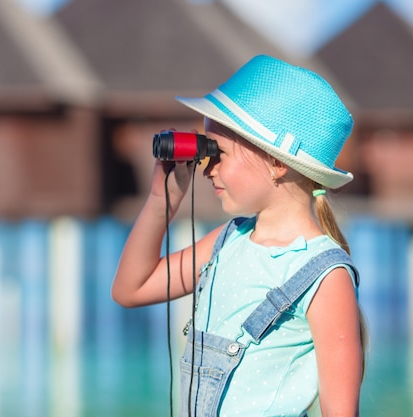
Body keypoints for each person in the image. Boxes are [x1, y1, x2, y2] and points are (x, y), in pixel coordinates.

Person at [111, 55, 365, 417]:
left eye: (220, 153)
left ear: (278, 163)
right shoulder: (227, 242)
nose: (207, 168)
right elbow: (129, 289)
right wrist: (160, 201)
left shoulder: (325, 275)